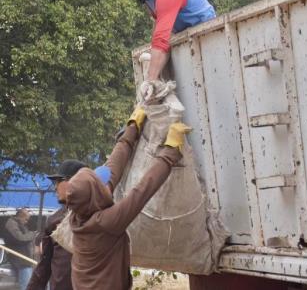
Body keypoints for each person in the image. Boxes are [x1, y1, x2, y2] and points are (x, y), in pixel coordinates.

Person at [53, 106, 191, 290]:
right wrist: (171, 151)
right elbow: (142, 190)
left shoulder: (79, 214)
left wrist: (133, 127)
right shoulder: (108, 222)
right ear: (96, 191)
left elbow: (113, 167)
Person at [26, 160, 87, 290]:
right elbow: (44, 267)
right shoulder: (55, 221)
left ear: (75, 182)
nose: (55, 187)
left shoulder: (99, 218)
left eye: (59, 181)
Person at [131, 0, 216, 82]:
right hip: (182, 36)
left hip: (207, 36)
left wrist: (150, 81)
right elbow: (160, 24)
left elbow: (161, 40)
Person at [4, 208, 36, 290]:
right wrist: (32, 234)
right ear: (20, 216)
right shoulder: (12, 224)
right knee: (26, 286)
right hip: (21, 260)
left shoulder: (19, 224)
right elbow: (20, 238)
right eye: (26, 219)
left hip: (25, 260)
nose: (26, 222)